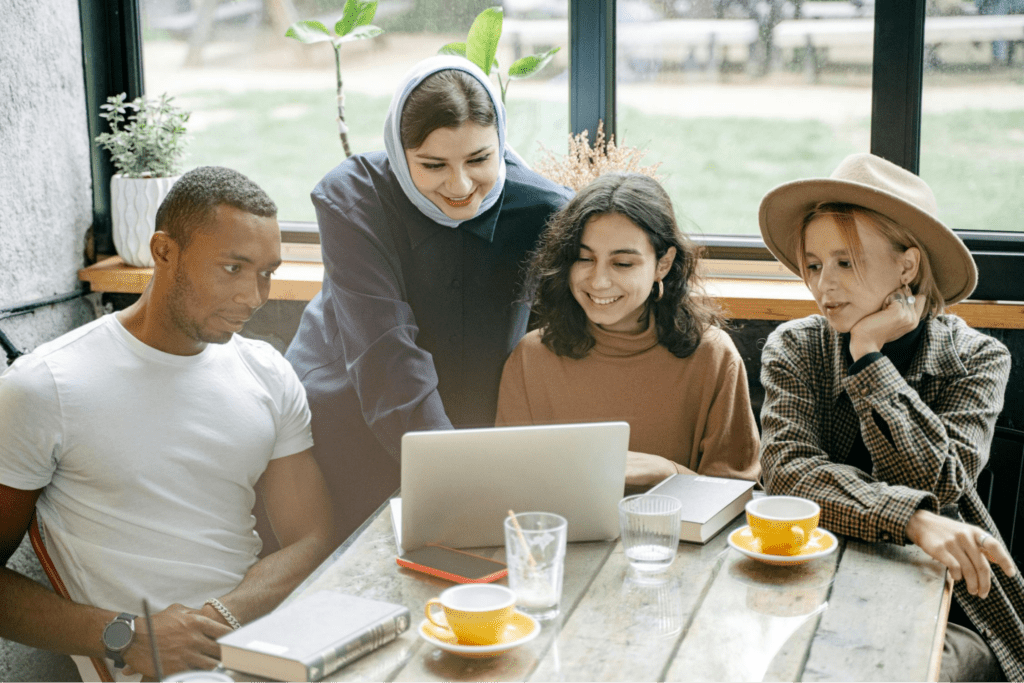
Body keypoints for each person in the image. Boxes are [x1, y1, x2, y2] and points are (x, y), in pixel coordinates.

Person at [0, 167, 335, 682]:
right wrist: (127, 636)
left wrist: (221, 617)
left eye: (266, 272)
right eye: (232, 268)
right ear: (163, 252)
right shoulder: (45, 385)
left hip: (260, 642)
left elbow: (311, 537)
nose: (254, 297)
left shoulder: (266, 372)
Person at [757, 152, 1023, 681]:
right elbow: (787, 473)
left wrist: (869, 357)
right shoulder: (795, 346)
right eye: (814, 264)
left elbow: (938, 481)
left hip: (949, 601)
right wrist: (912, 519)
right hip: (809, 580)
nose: (822, 285)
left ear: (907, 265)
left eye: (846, 261)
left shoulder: (978, 358)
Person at [285, 55, 573, 539]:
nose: (460, 186)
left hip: (479, 418)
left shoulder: (548, 210)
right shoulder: (352, 201)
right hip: (349, 409)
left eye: (480, 159)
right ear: (400, 153)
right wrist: (458, 482)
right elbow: (386, 359)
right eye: (433, 164)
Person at [496, 173, 760, 487]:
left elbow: (736, 497)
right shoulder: (532, 356)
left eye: (622, 263)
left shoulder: (713, 356)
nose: (598, 281)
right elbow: (508, 484)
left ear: (663, 264)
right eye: (584, 258)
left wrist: (669, 473)